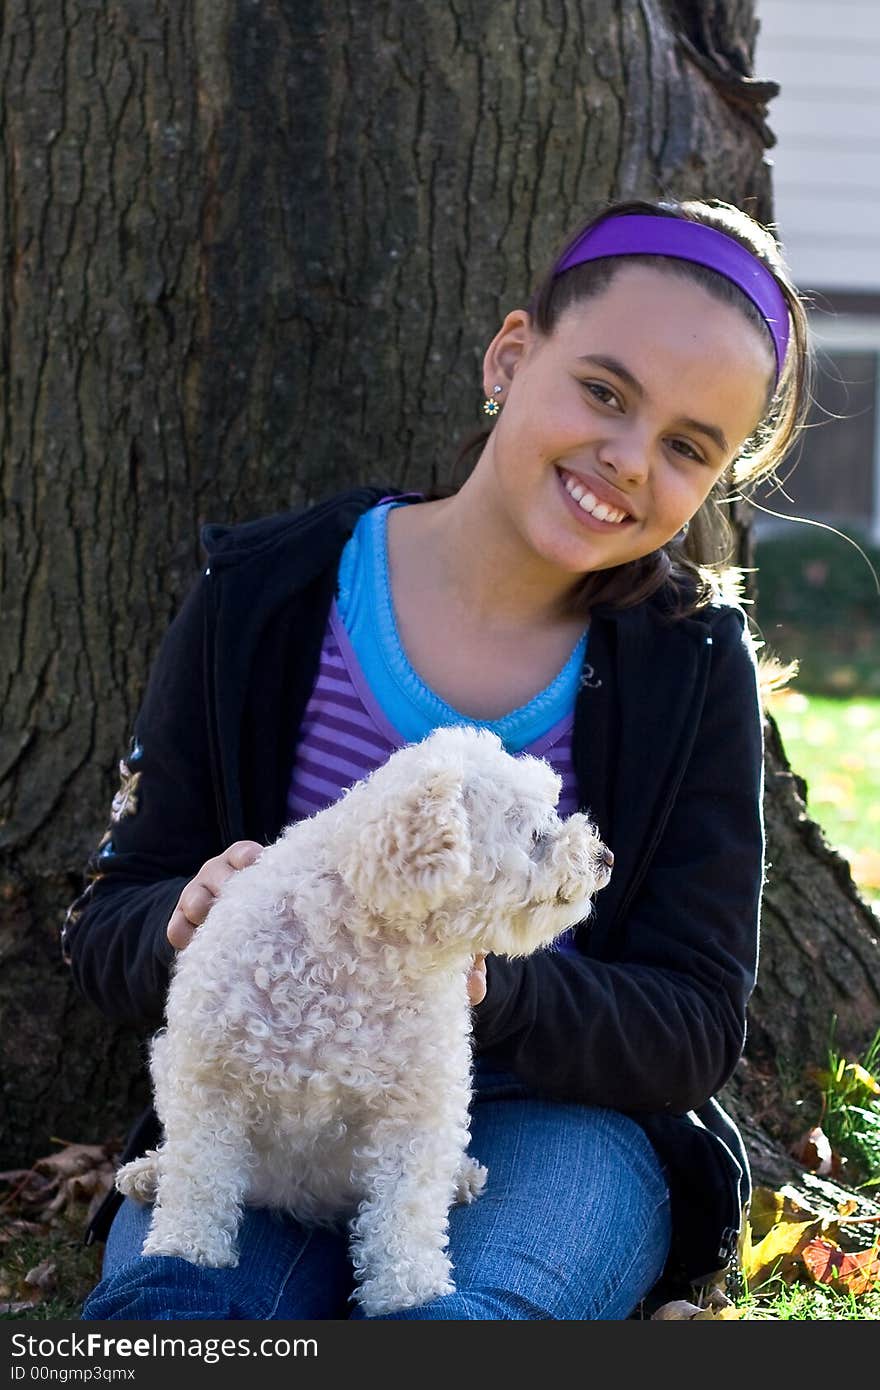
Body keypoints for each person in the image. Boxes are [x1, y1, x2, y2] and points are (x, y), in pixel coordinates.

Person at [64, 195, 810, 1321]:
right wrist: (186, 918)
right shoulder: (266, 593)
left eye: (686, 447)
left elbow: (692, 1025)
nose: (625, 458)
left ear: (712, 483)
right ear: (511, 355)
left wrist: (484, 986)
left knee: (450, 1326)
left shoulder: (688, 665)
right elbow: (110, 922)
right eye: (603, 391)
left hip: (552, 1124)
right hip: (266, 1114)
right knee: (178, 1317)